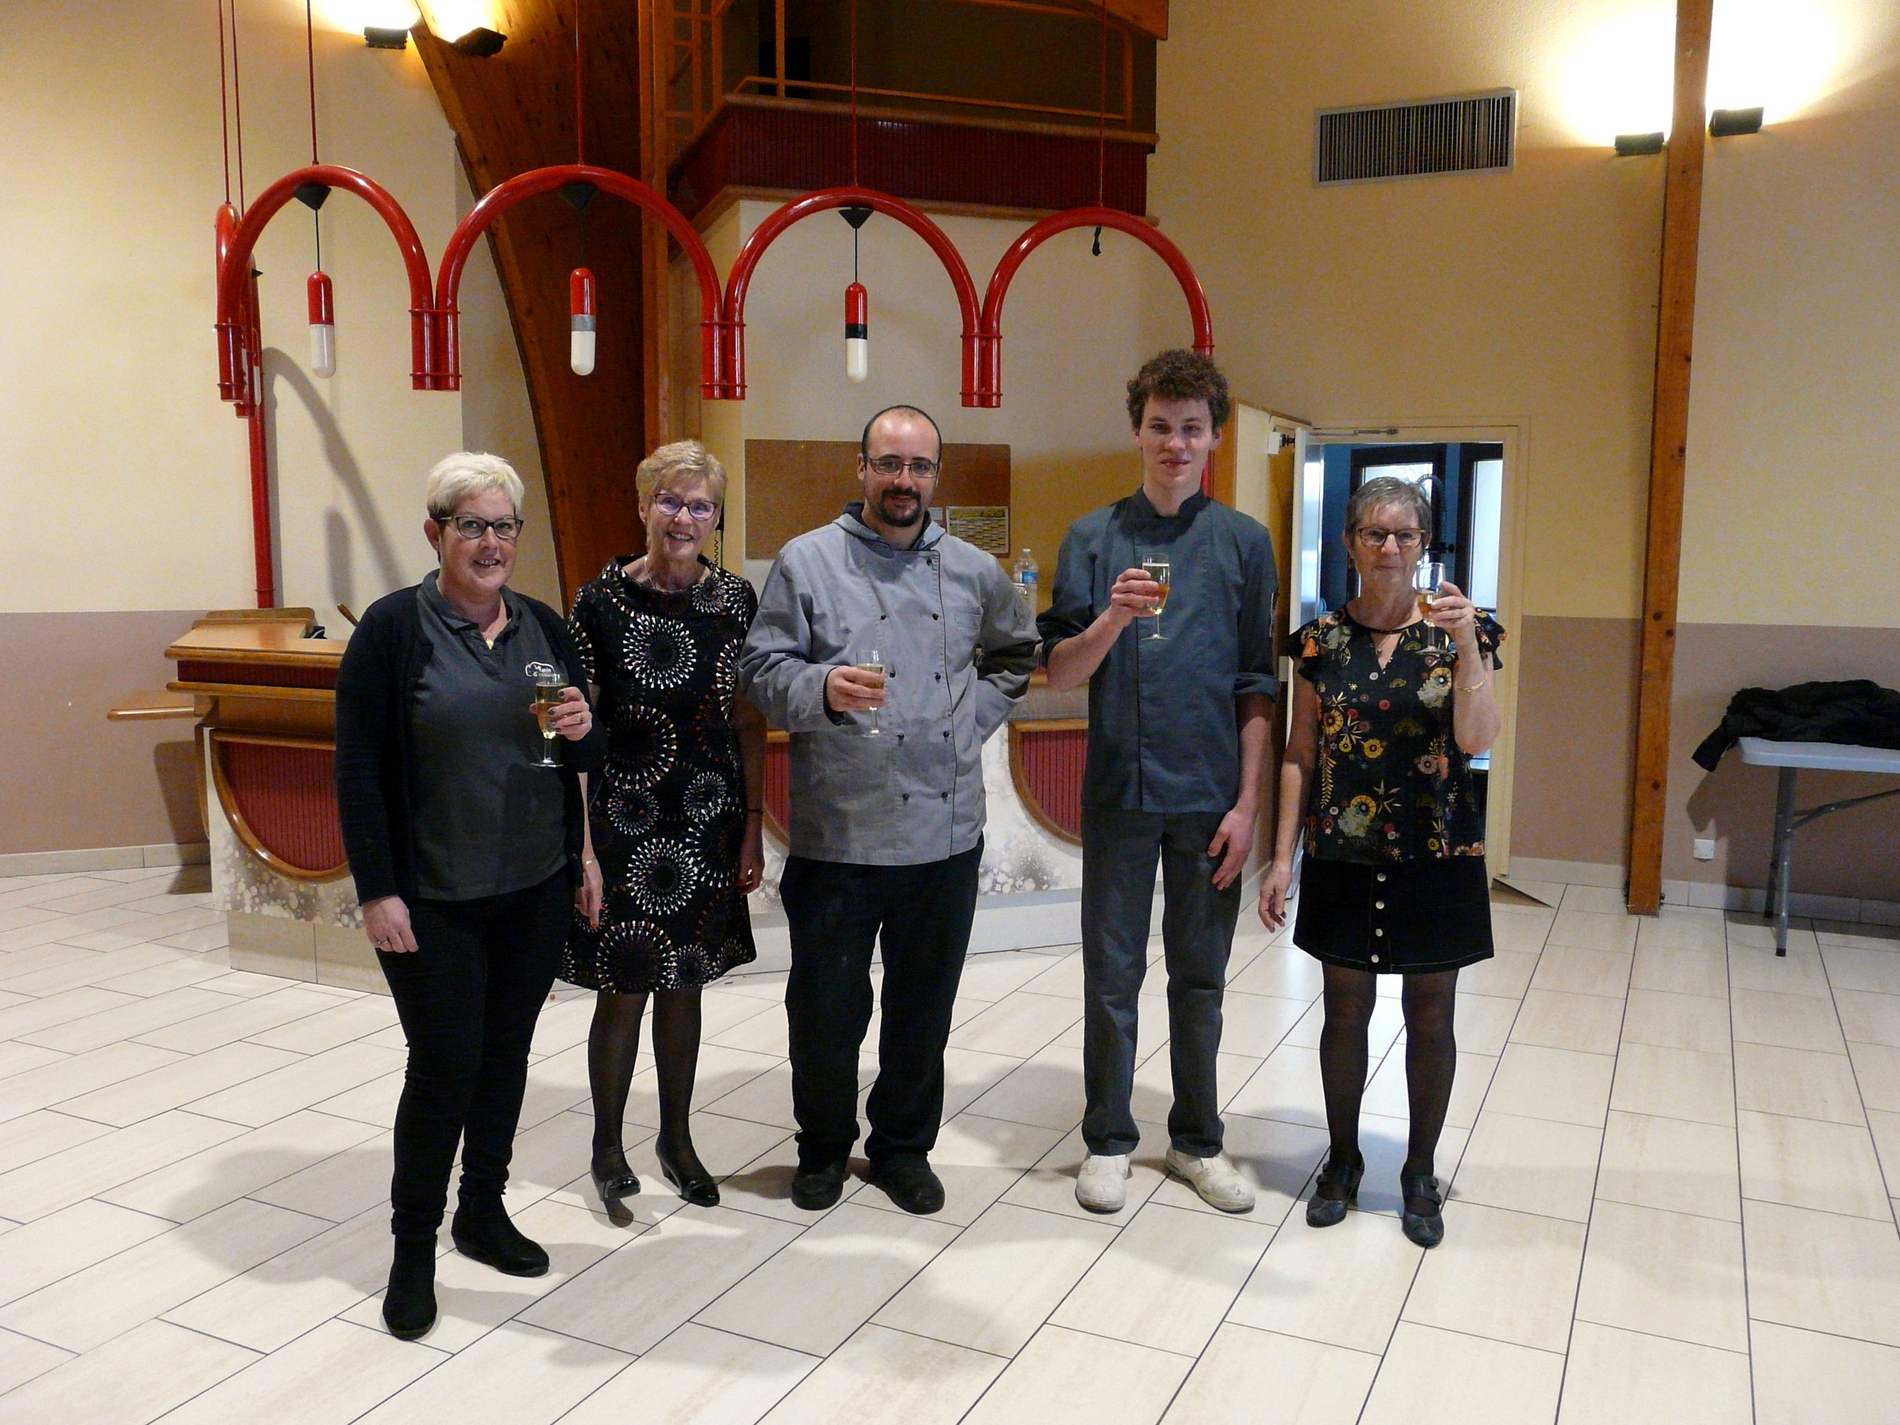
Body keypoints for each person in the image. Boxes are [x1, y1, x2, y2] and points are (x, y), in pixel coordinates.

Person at [739, 405, 1038, 1215]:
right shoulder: (806, 560)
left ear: (937, 476)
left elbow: (1016, 654)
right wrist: (820, 687)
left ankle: (903, 1146)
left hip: (944, 835)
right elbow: (760, 670)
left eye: (919, 467)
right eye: (889, 464)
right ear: (862, 468)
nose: (904, 481)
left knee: (921, 1011)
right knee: (826, 1012)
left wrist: (970, 720)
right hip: (838, 832)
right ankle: (822, 1148)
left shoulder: (974, 569)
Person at [335, 451, 603, 1340]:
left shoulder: (542, 627)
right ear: (436, 533)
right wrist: (378, 890)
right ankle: (412, 1250)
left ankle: (481, 1209)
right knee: (445, 1064)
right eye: (472, 525)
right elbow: (357, 772)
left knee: (505, 1054)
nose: (491, 543)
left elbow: (574, 756)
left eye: (504, 526)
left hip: (531, 887)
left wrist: (584, 753)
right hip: (433, 897)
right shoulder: (393, 630)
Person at [1040, 349, 1279, 1215]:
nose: (1176, 443)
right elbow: (1062, 673)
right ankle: (1108, 1138)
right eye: (1160, 427)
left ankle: (1196, 1140)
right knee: (1111, 974)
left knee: (1200, 978)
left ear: (1213, 437)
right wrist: (1113, 615)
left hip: (1211, 798)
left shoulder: (1244, 543)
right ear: (1137, 432)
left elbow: (1257, 683)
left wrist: (1248, 806)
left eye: (1192, 428)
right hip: (1119, 792)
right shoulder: (1091, 537)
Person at [1258, 473, 1505, 1248]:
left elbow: (1477, 737)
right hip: (1343, 848)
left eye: (1404, 534)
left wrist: (1465, 647)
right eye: (1375, 533)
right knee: (1343, 1010)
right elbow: (1299, 753)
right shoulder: (1319, 641)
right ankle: (1341, 1158)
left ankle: (1419, 1171)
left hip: (1438, 850)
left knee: (1430, 1014)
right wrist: (1281, 857)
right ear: (1350, 544)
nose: (1390, 547)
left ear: (1423, 545)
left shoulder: (1467, 630)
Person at [564, 440, 767, 1217]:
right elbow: (571, 730)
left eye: (701, 505)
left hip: (708, 821)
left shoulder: (735, 600)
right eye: (672, 501)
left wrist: (752, 826)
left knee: (685, 983)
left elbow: (749, 720)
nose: (685, 517)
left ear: (716, 518)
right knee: (624, 985)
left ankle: (676, 1141)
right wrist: (581, 845)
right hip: (622, 821)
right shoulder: (598, 601)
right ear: (644, 506)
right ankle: (607, 1147)